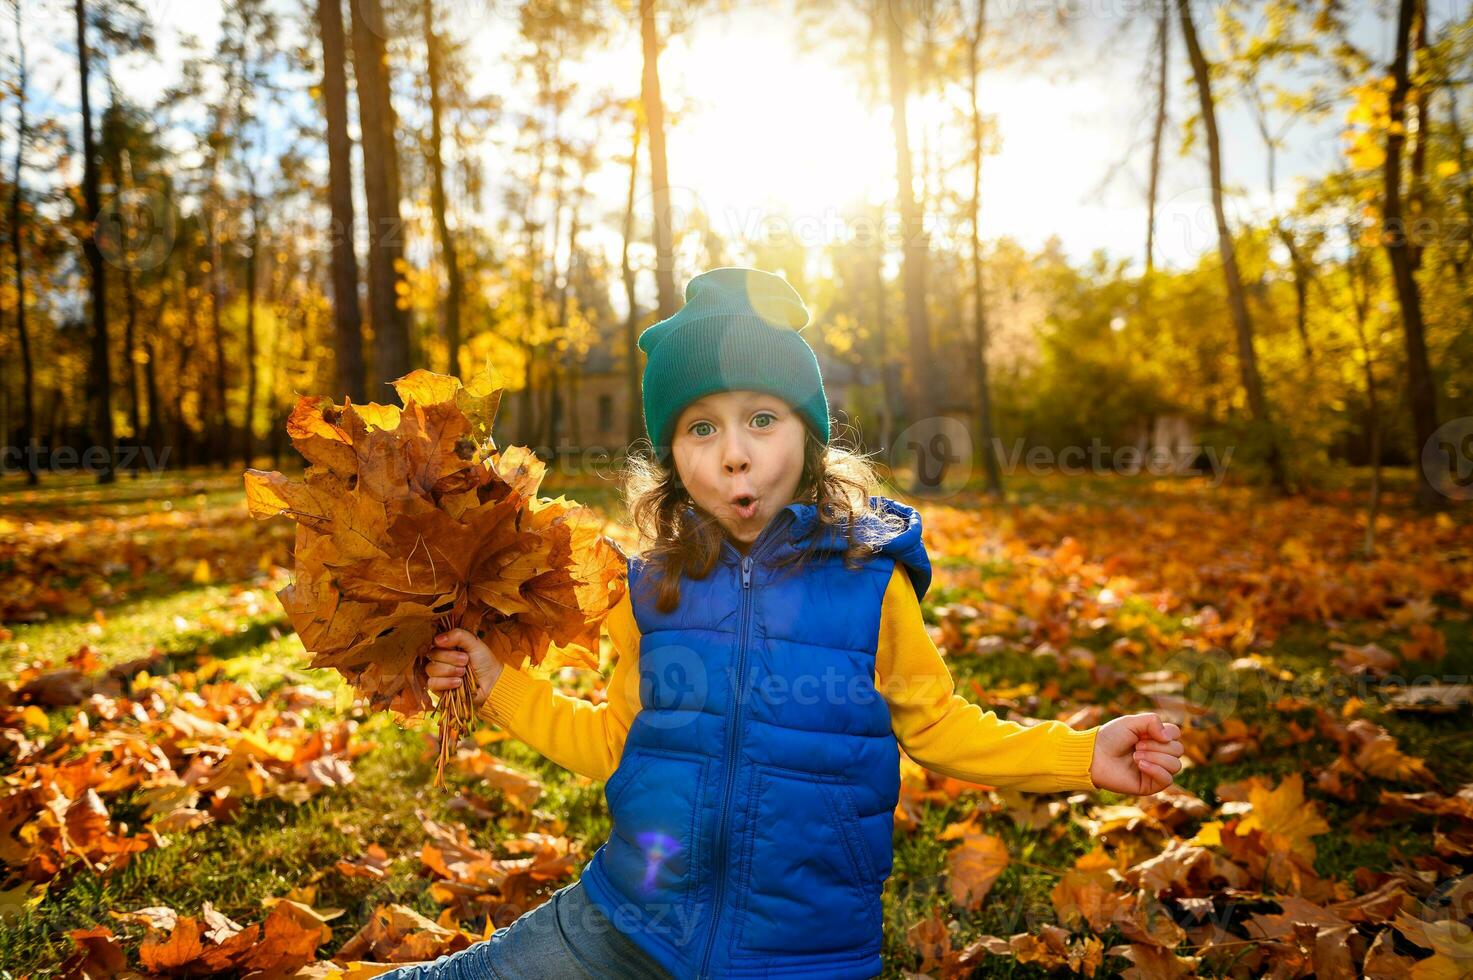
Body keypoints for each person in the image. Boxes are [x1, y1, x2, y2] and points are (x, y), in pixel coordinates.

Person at [381, 267, 1185, 979]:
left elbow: (939, 727)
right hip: (629, 920)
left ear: (807, 436)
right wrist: (496, 684)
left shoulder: (869, 584)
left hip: (802, 952)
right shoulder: (646, 590)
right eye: (701, 428)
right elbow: (615, 747)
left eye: (761, 419)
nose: (733, 454)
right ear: (673, 457)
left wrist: (1083, 754)